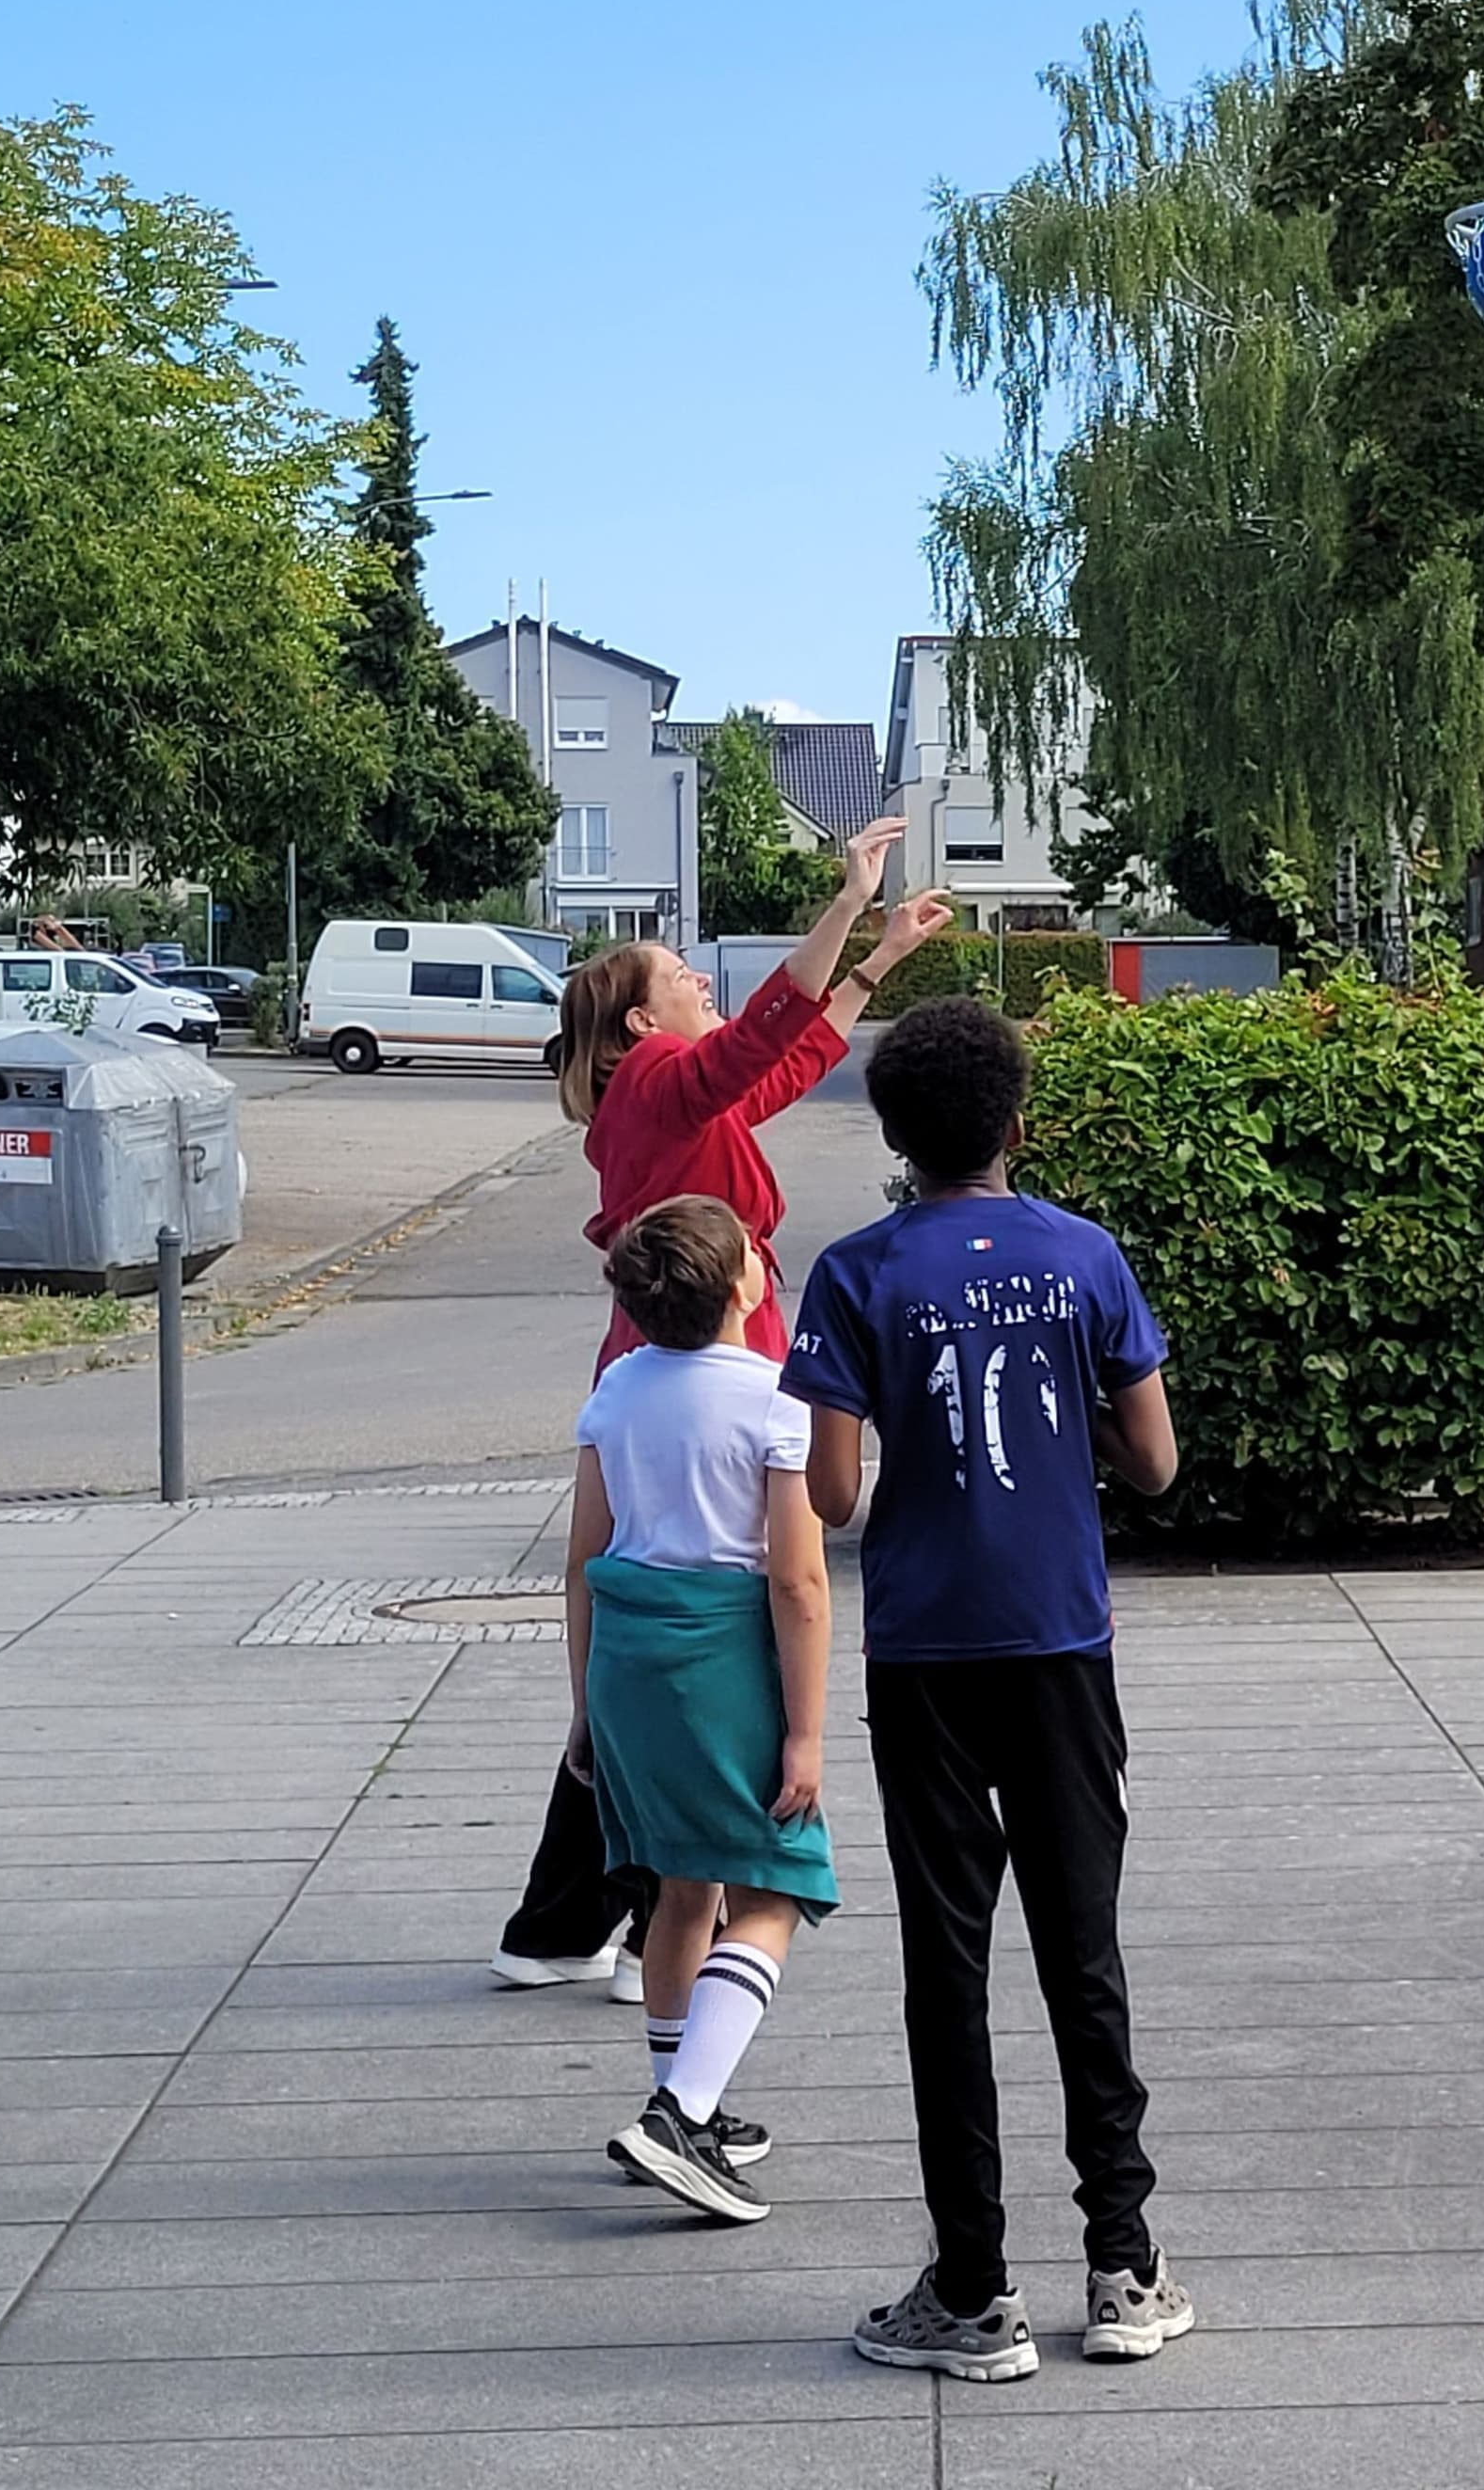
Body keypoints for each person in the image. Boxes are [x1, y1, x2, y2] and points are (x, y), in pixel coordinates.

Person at [783, 995, 1191, 2384]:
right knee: (1085, 1951)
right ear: (1020, 1124)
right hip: (1062, 1646)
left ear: (894, 1137)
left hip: (928, 1656)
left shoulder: (853, 1274)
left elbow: (834, 1490)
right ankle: (1124, 2267)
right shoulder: (1085, 1256)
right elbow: (1154, 1465)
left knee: (945, 1966)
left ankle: (971, 2291)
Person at [485, 820, 950, 2001]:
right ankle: (624, 1912)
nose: (699, 977)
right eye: (680, 974)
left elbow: (782, 1064)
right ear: (641, 1023)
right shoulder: (654, 1083)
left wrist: (878, 956)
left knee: (674, 1632)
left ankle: (580, 1918)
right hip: (690, 1368)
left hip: (674, 1368)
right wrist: (845, 905)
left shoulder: (678, 1103)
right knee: (709, 1620)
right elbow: (756, 1046)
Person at [565, 1196, 835, 2226]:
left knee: (684, 1890)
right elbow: (797, 1582)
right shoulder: (777, 1401)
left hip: (630, 1658)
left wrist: (582, 1705)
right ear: (746, 1287)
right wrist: (805, 1733)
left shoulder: (617, 1392)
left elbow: (585, 1560)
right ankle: (681, 2115)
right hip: (725, 1659)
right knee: (774, 1885)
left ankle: (686, 2096)